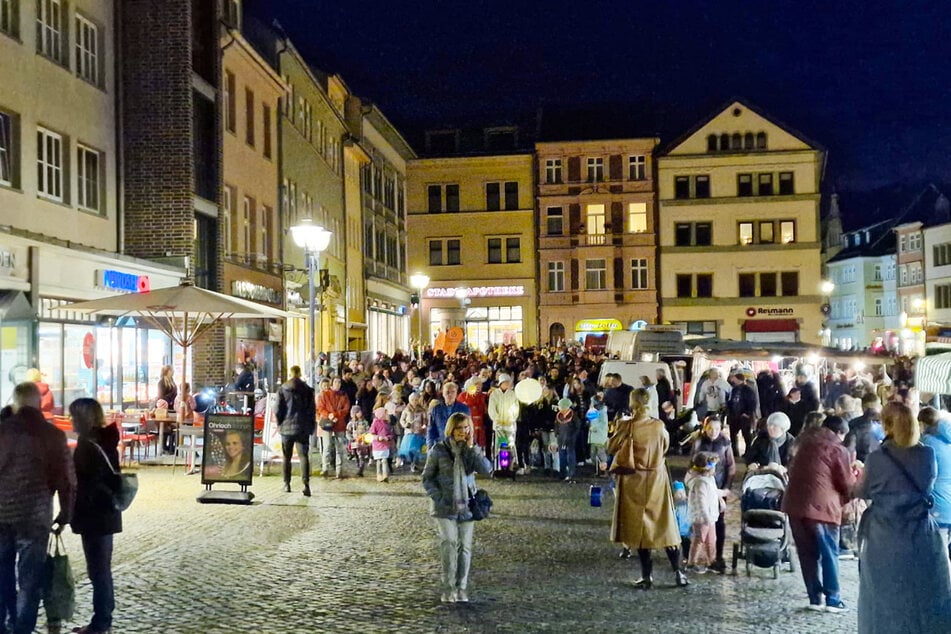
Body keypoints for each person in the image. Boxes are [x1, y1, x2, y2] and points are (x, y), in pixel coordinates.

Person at [855, 402, 951, 632]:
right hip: (921, 533)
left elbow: (862, 491)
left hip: (884, 535)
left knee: (884, 593)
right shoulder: (927, 454)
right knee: (924, 592)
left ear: (887, 424)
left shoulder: (877, 458)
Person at [0, 382, 75, 634]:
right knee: (30, 580)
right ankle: (22, 627)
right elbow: (65, 479)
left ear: (16, 401)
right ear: (38, 403)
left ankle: (4, 623)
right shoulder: (51, 434)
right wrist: (66, 513)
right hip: (35, 515)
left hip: (1, 515)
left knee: (2, 574)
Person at [608, 388, 687, 589]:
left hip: (635, 479)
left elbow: (611, 447)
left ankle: (647, 576)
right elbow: (665, 446)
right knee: (665, 525)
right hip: (657, 479)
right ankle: (678, 573)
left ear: (632, 403)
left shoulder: (626, 425)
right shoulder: (659, 426)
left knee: (641, 530)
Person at [782, 414, 854, 612]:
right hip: (823, 509)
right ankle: (833, 598)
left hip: (795, 506)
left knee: (807, 554)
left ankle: (815, 598)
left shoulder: (802, 443)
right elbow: (846, 483)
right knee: (829, 552)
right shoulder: (837, 449)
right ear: (839, 433)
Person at [421, 412, 493, 603]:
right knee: (449, 544)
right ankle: (448, 588)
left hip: (467, 505)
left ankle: (461, 587)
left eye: (466, 427)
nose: (463, 431)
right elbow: (427, 478)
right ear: (451, 429)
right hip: (444, 506)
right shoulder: (438, 450)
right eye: (459, 428)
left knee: (465, 548)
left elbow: (487, 470)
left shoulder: (471, 450)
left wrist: (473, 448)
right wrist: (439, 497)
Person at [69, 398, 122, 634]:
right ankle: (102, 620)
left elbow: (86, 481)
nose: (71, 420)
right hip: (105, 513)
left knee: (99, 571)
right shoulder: (104, 440)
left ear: (84, 418)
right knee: (101, 570)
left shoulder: (90, 445)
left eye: (74, 416)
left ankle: (101, 623)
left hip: (95, 514)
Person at [690, 415, 734, 573]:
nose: (713, 432)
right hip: (703, 485)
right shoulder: (698, 442)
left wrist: (726, 488)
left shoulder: (725, 443)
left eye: (717, 428)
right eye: (710, 428)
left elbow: (730, 466)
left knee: (719, 521)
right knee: (701, 522)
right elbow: (691, 464)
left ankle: (717, 556)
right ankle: (695, 556)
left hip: (719, 486)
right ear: (705, 428)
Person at [276, 365, 316, 496]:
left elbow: (278, 409)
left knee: (286, 457)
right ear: (299, 374)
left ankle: (286, 484)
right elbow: (311, 410)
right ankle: (306, 484)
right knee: (303, 456)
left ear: (290, 373)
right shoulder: (308, 390)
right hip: (302, 428)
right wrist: (310, 426)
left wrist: (280, 423)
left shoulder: (283, 389)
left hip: (286, 428)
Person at [919, 407, 951, 559]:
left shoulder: (928, 442)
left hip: (938, 502)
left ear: (922, 424)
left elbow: (925, 474)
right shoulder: (947, 441)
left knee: (940, 552)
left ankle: (944, 582)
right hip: (948, 499)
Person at [684, 451, 722, 573]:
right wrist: (706, 517)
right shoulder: (700, 483)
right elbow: (701, 503)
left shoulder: (709, 479)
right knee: (699, 539)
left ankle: (711, 561)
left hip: (710, 516)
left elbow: (714, 493)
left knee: (712, 539)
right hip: (702, 518)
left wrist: (721, 500)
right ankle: (691, 563)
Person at [316, 377, 350, 479]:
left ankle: (339, 470)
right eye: (336, 382)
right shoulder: (325, 394)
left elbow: (346, 409)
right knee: (327, 446)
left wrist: (335, 415)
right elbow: (320, 408)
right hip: (327, 423)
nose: (338, 384)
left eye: (339, 382)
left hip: (339, 423)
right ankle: (325, 468)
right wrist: (329, 415)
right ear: (332, 383)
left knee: (340, 447)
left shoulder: (343, 395)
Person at [487, 374, 519, 469]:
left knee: (510, 444)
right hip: (499, 425)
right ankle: (499, 466)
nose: (507, 384)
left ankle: (511, 466)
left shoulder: (512, 394)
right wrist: (497, 419)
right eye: (506, 383)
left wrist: (512, 418)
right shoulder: (495, 394)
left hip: (509, 424)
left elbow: (516, 407)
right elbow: (492, 408)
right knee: (501, 444)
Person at [428, 382, 469, 449]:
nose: (450, 394)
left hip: (460, 445)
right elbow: (431, 429)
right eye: (447, 392)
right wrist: (430, 446)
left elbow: (469, 428)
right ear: (443, 394)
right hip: (442, 445)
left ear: (456, 394)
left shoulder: (464, 408)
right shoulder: (436, 409)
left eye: (453, 392)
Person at [398, 392, 428, 472]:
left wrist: (424, 427)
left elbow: (425, 420)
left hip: (419, 433)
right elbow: (402, 420)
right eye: (413, 400)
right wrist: (405, 425)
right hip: (409, 432)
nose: (415, 401)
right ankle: (405, 461)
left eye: (416, 400)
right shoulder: (406, 409)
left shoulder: (422, 410)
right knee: (408, 449)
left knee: (417, 450)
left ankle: (414, 464)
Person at [555, 398, 580, 482]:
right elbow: (556, 426)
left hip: (570, 440)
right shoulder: (559, 415)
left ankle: (571, 474)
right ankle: (562, 474)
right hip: (561, 439)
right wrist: (556, 435)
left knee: (570, 457)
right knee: (562, 457)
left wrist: (573, 437)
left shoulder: (574, 416)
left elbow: (577, 428)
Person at [345, 406, 371, 477]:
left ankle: (361, 469)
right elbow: (348, 432)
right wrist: (350, 438)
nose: (360, 413)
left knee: (361, 455)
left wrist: (365, 436)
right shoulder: (351, 423)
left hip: (362, 442)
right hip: (354, 442)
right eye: (358, 412)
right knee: (356, 455)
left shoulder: (364, 422)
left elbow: (368, 430)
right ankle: (358, 465)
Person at [369, 407, 393, 483]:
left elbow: (390, 433)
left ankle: (385, 474)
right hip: (377, 445)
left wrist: (388, 438)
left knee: (384, 459)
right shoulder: (375, 423)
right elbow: (372, 434)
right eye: (385, 413)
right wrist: (377, 437)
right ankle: (379, 474)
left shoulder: (387, 423)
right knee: (379, 460)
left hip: (385, 444)